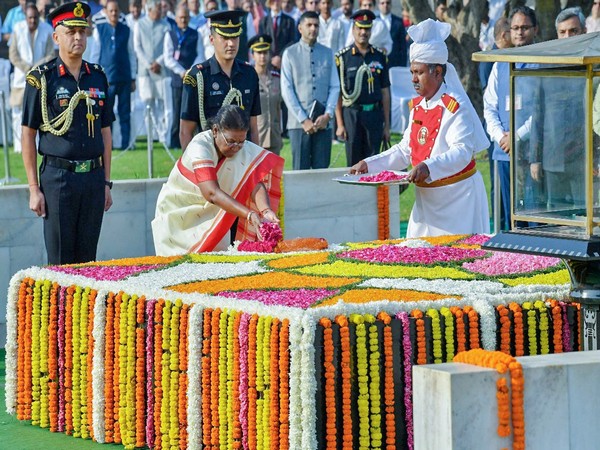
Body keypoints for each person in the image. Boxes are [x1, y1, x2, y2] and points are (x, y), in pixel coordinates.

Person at [350, 18, 490, 238]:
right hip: (427, 200)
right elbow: (405, 150)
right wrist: (369, 164)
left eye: (419, 72)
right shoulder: (417, 106)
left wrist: (428, 167)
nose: (414, 79)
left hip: (457, 199)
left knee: (457, 260)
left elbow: (462, 152)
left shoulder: (455, 106)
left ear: (438, 72)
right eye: (412, 72)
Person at [21, 1, 114, 264]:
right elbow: (28, 134)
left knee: (89, 261)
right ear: (56, 36)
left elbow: (106, 132)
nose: (78, 37)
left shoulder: (97, 76)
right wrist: (33, 188)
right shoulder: (42, 78)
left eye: (82, 32)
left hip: (93, 179)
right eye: (71, 31)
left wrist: (107, 182)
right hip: (58, 179)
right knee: (61, 262)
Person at [152, 105, 283, 254]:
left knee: (215, 269)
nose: (236, 147)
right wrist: (249, 214)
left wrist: (265, 210)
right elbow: (211, 193)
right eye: (231, 141)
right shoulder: (200, 146)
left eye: (241, 141)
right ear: (215, 130)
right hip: (179, 213)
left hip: (213, 217)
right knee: (179, 269)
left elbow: (253, 182)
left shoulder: (241, 147)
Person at [484, 6, 538, 230]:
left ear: (535, 30)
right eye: (515, 27)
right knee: (509, 218)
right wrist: (500, 137)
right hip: (504, 153)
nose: (519, 32)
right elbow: (489, 106)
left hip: (531, 153)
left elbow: (541, 111)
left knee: (534, 217)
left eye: (525, 27)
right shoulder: (500, 63)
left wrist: (516, 136)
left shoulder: (542, 63)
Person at [529, 7, 587, 210]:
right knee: (556, 219)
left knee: (587, 219)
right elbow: (538, 116)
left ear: (584, 31)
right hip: (553, 159)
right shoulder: (546, 68)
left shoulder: (594, 67)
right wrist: (534, 159)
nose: (568, 37)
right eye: (563, 32)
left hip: (584, 160)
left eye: (574, 31)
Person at [179, 10, 261, 151]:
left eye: (235, 37)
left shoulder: (249, 74)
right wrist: (195, 166)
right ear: (212, 39)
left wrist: (255, 164)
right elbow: (185, 131)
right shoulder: (197, 77)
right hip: (210, 157)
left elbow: (253, 128)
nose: (231, 44)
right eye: (224, 37)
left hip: (242, 159)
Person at [281, 11, 339, 169]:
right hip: (298, 125)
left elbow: (335, 86)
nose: (313, 29)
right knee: (300, 172)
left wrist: (328, 114)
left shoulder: (328, 53)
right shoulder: (290, 54)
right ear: (300, 28)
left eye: (316, 25)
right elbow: (286, 90)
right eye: (309, 25)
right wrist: (303, 119)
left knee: (321, 172)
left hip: (323, 123)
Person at [335, 9, 390, 166]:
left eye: (366, 28)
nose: (363, 32)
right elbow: (338, 93)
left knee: (374, 163)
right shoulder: (343, 58)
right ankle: (353, 192)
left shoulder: (380, 56)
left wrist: (387, 125)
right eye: (359, 28)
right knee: (353, 162)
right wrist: (340, 124)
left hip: (374, 114)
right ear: (353, 29)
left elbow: (385, 92)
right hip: (352, 115)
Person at [9, 2, 54, 154]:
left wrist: (36, 68)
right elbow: (13, 54)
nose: (32, 21)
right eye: (30, 18)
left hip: (41, 78)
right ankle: (17, 146)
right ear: (25, 17)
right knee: (17, 113)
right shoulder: (17, 29)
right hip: (21, 78)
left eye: (35, 18)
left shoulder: (47, 29)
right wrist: (26, 68)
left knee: (38, 112)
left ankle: (34, 145)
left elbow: (50, 54)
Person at [92, 0, 136, 150]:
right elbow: (95, 54)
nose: (114, 14)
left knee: (125, 114)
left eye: (116, 11)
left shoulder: (127, 29)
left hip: (124, 77)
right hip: (106, 79)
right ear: (106, 11)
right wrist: (94, 76)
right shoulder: (100, 29)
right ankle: (107, 144)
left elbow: (131, 53)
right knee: (107, 115)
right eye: (111, 11)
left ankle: (126, 144)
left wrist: (133, 77)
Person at [163, 4, 204, 149]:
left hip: (193, 78)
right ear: (176, 18)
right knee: (177, 111)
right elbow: (168, 58)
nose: (183, 20)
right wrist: (181, 71)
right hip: (177, 79)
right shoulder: (170, 34)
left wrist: (190, 71)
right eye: (181, 17)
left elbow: (200, 54)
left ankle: (197, 139)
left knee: (195, 110)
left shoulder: (196, 33)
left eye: (186, 17)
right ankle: (175, 141)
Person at [134, 0, 171, 145]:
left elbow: (168, 48)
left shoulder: (165, 25)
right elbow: (137, 47)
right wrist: (149, 64)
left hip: (161, 70)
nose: (160, 11)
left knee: (162, 103)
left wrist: (158, 62)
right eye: (157, 9)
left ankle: (163, 135)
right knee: (148, 103)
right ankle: (152, 134)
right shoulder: (139, 24)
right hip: (145, 71)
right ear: (149, 10)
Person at [249, 34, 283, 154]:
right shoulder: (248, 78)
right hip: (256, 136)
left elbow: (278, 107)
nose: (262, 56)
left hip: (274, 135)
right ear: (253, 55)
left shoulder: (276, 78)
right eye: (259, 53)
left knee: (275, 172)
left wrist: (280, 132)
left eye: (265, 52)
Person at [258, 0, 297, 70]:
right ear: (269, 3)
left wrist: (280, 57)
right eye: (273, 1)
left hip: (284, 61)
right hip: (268, 62)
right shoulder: (263, 21)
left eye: (278, 1)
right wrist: (271, 57)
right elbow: (261, 41)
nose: (275, 3)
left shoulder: (289, 21)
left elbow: (292, 41)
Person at [378, 0, 407, 68]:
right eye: (382, 3)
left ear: (391, 4)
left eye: (388, 3)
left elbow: (403, 46)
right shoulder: (374, 21)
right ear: (379, 5)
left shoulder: (398, 22)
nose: (385, 5)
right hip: (378, 62)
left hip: (394, 64)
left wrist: (402, 66)